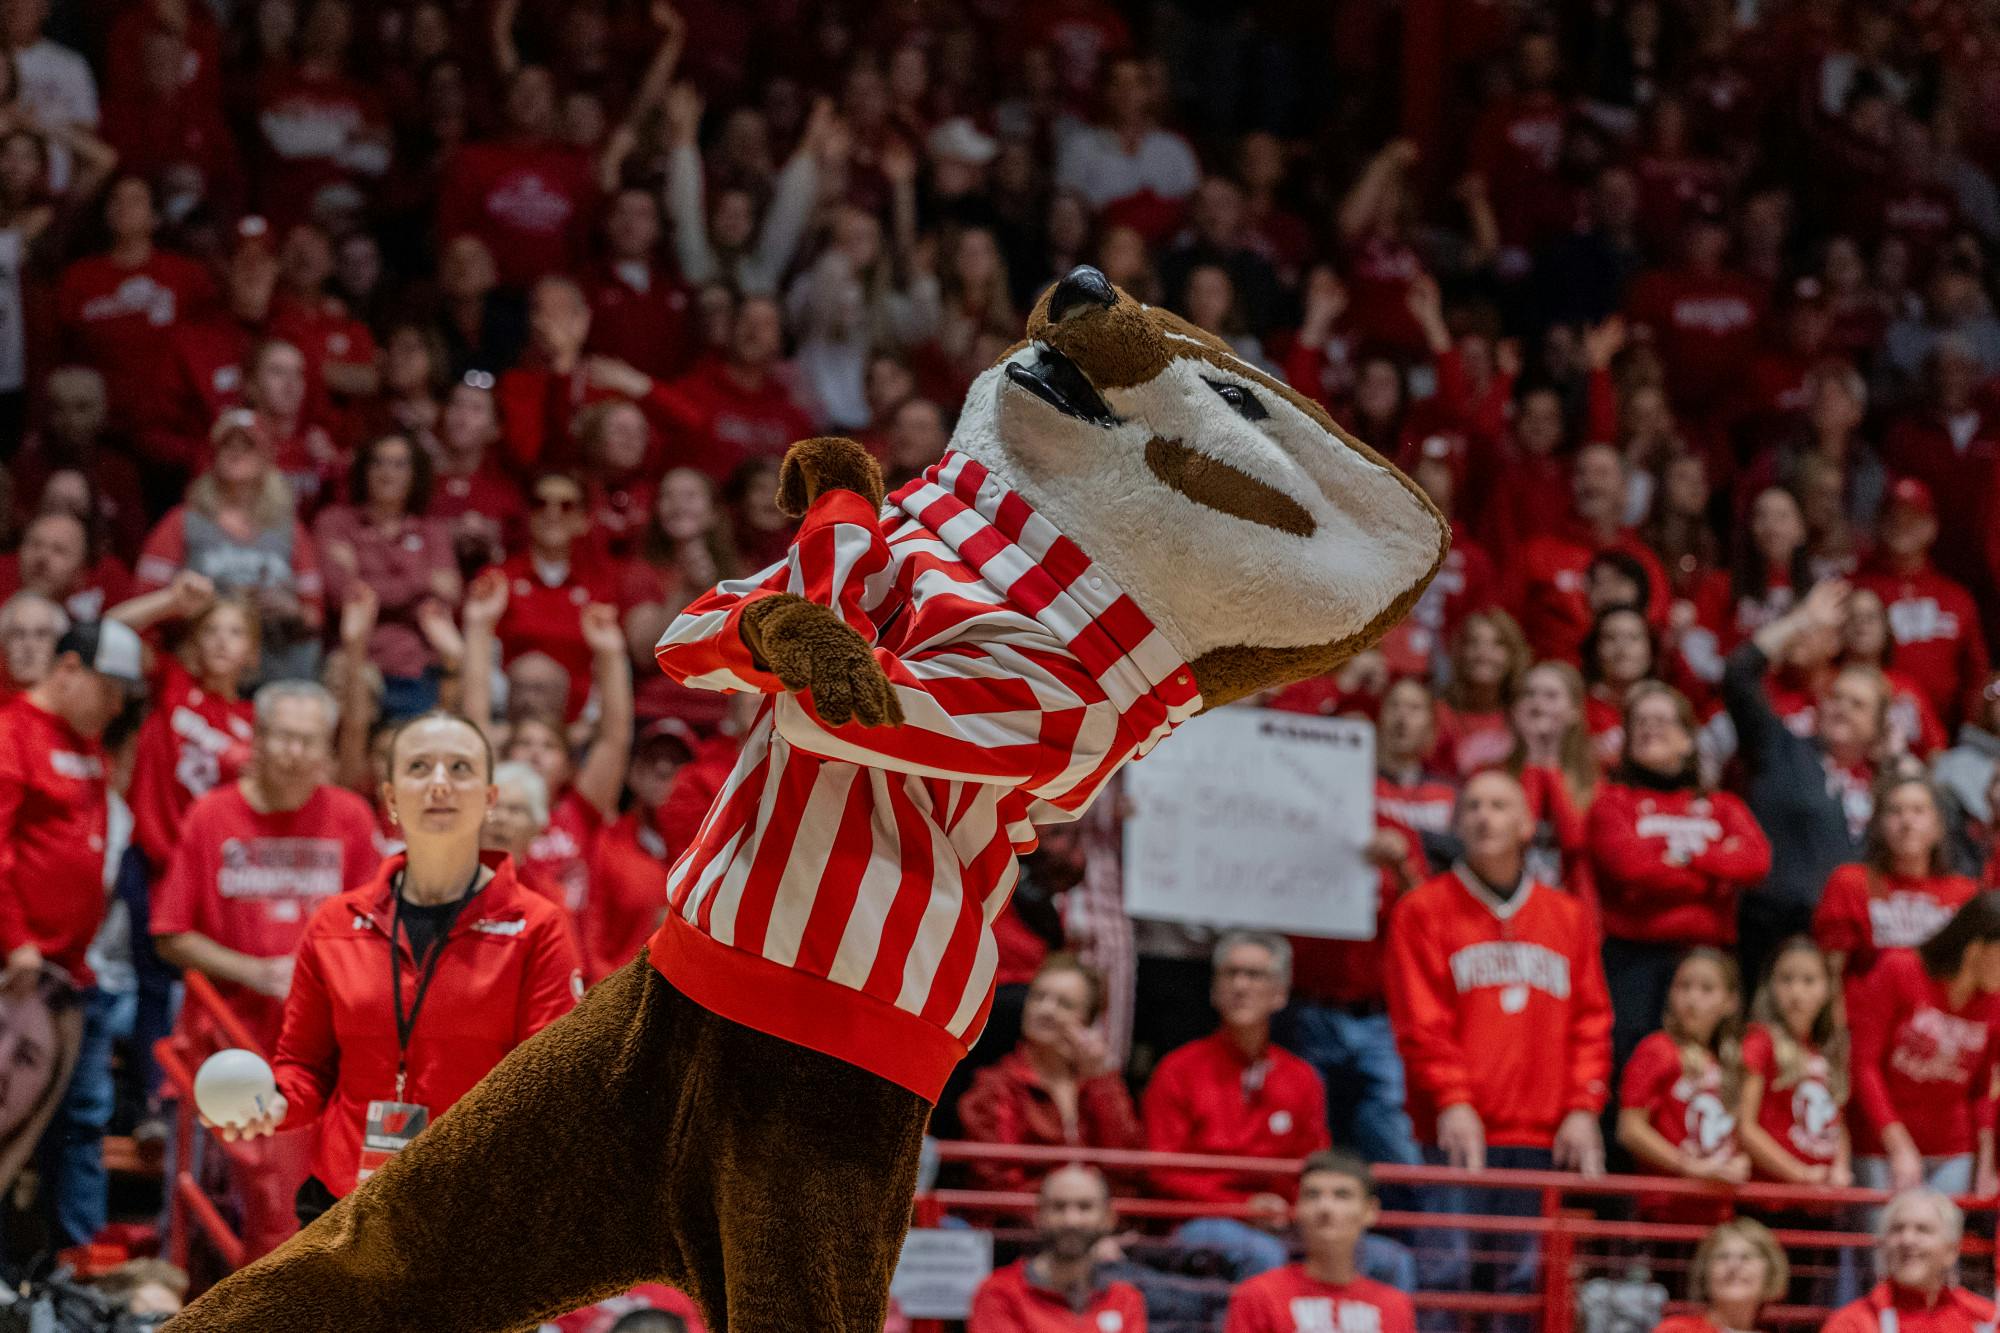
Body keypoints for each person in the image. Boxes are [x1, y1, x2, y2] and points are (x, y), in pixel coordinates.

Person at [211, 712, 582, 1229]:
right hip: (345, 1204)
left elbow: (550, 1087)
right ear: (389, 799)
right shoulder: (336, 923)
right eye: (419, 767)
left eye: (459, 768)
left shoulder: (536, 927)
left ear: (489, 799)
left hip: (472, 1210)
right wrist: (271, 1103)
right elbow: (305, 1069)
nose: (439, 783)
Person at [1386, 769, 1611, 1316]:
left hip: (1541, 1135)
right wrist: (1454, 1100)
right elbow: (1421, 1023)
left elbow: (1591, 1020)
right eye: (1475, 807)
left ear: (1527, 825)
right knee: (1448, 1278)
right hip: (1455, 1133)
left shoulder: (1568, 917)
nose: (1485, 816)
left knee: (1524, 1287)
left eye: (1499, 805)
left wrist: (1583, 1108)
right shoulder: (1422, 911)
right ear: (1458, 823)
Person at [0, 619, 143, 1247]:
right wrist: (15, 939)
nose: (116, 707)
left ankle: (69, 1264)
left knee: (76, 1122)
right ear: (67, 670)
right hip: (17, 975)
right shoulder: (11, 734)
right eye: (108, 690)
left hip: (69, 979)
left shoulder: (90, 744)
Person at [150, 681, 380, 1047]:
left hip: (322, 1037)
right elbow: (170, 934)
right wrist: (253, 972)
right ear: (256, 739)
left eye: (309, 741)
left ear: (327, 749)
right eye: (284, 737)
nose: (295, 753)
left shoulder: (352, 816)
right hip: (222, 1036)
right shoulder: (210, 814)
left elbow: (373, 931)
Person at [1588, 682, 1770, 1067]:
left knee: (1708, 1070)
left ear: (1689, 740)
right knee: (1631, 1066)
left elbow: (1756, 861)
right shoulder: (1612, 802)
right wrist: (1711, 870)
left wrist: (1679, 855)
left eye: (1662, 721)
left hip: (1708, 958)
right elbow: (1630, 869)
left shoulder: (1721, 805)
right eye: (1639, 722)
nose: (1649, 728)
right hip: (1633, 961)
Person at [1724, 579, 1888, 985]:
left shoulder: (1889, 785)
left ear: (1878, 726)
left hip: (1849, 952)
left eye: (1858, 704)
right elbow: (1739, 674)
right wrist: (1801, 622)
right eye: (1836, 698)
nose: (1842, 709)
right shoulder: (1781, 747)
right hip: (1770, 940)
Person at [134, 410, 325, 685]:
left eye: (247, 445)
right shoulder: (182, 522)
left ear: (267, 457)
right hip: (202, 667)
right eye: (227, 445)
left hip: (277, 666)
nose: (236, 453)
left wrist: (289, 610)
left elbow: (315, 613)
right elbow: (146, 599)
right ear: (213, 455)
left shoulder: (290, 529)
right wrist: (191, 604)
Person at [1846, 893, 2000, 1195]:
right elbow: (1864, 1066)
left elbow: (1983, 1089)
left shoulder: (1994, 1002)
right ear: (1975, 948)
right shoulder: (1900, 969)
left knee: (1940, 1240)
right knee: (1888, 1239)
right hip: (1881, 1145)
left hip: (1953, 1149)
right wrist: (1898, 1145)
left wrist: (1986, 1161)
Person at [958, 953, 1140, 1195]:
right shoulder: (995, 1085)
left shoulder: (1098, 1082)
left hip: (1095, 1224)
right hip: (1019, 1225)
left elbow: (1127, 1167)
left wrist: (1101, 1080)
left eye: (1064, 1004)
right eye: (1038, 997)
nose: (1045, 1010)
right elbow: (993, 1177)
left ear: (1086, 1020)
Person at [310, 434, 462, 718]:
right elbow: (343, 597)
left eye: (399, 465)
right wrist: (424, 580)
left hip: (417, 665)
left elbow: (450, 594)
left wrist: (363, 574)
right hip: (355, 660)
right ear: (363, 470)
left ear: (415, 474)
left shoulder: (432, 530)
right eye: (378, 463)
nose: (387, 473)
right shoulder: (335, 521)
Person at [1222, 1151, 1417, 1333]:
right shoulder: (1258, 1295)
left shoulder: (1395, 1306)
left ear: (1370, 1210)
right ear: (1297, 1207)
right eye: (1312, 1195)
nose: (1325, 1207)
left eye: (1342, 1195)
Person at [1615, 949, 1752, 1203]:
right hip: (1664, 1209)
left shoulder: (1729, 1059)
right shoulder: (1656, 1048)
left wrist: (1741, 1161)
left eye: (1706, 989)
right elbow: (1630, 1128)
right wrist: (1687, 1165)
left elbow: (1738, 1130)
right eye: (1683, 986)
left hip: (1718, 1211)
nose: (1692, 998)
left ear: (1730, 1002)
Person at [1814, 776, 1976, 985]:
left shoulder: (1964, 893)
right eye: (1895, 811)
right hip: (1866, 1009)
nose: (1907, 822)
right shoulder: (1850, 882)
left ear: (1938, 827)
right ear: (1878, 825)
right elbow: (1831, 975)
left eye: (1918, 811)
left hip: (1935, 1014)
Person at [966, 1164, 1147, 1333]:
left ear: (1109, 1218)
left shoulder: (1126, 1299)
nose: (1071, 1220)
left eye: (1085, 1207)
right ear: (1037, 1216)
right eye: (1059, 1207)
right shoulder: (999, 1293)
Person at [1738, 938, 1850, 1186]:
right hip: (1772, 1195)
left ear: (1828, 989)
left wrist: (1841, 1168)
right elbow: (1744, 1127)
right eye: (1786, 980)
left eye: (1809, 981)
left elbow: (1836, 1121)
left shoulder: (1826, 1048)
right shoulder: (1759, 1041)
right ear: (1770, 986)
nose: (1796, 992)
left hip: (1820, 1197)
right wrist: (1799, 1174)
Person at [1820, 1189, 1995, 1333]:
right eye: (1897, 1229)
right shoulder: (1851, 1324)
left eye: (1923, 1230)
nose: (1907, 1240)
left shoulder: (1985, 1320)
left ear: (1951, 1251)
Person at [1652, 1218, 1789, 1333]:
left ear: (1770, 1272)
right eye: (1722, 1257)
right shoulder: (1677, 1330)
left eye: (1746, 1257)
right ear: (1705, 1272)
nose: (1733, 1265)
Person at [0, 591, 65, 698]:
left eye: (42, 634)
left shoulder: (73, 709)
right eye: (18, 634)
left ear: (57, 644)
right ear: (4, 642)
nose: (30, 646)